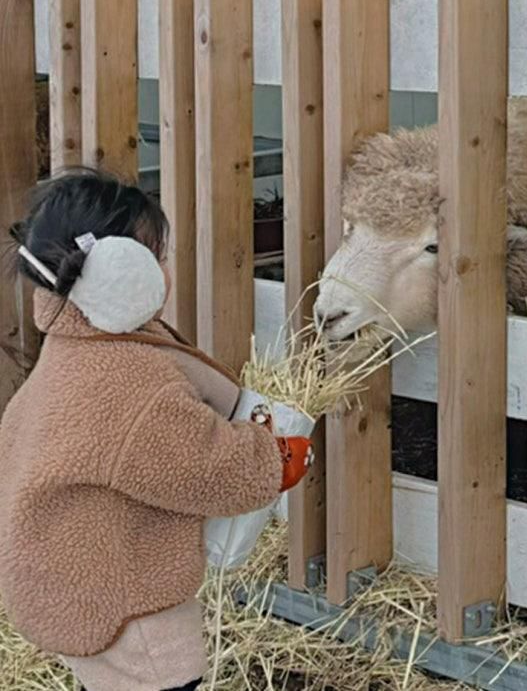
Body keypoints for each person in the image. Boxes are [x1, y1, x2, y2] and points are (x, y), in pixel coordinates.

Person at [0, 170, 313, 691]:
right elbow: (200, 466)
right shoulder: (123, 381)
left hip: (72, 585)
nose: (165, 272)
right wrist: (271, 458)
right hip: (127, 611)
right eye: (156, 259)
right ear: (115, 271)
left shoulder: (77, 348)